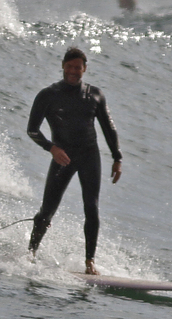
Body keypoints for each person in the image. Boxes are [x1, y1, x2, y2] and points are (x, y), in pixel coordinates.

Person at [26, 47, 122, 274]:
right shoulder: (48, 95)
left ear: (84, 69)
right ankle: (30, 253)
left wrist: (117, 157)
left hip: (89, 156)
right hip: (63, 157)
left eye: (78, 67)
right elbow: (32, 130)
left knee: (92, 208)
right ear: (63, 66)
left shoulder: (95, 95)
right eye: (69, 67)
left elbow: (108, 128)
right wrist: (52, 148)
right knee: (47, 210)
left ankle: (90, 262)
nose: (73, 71)